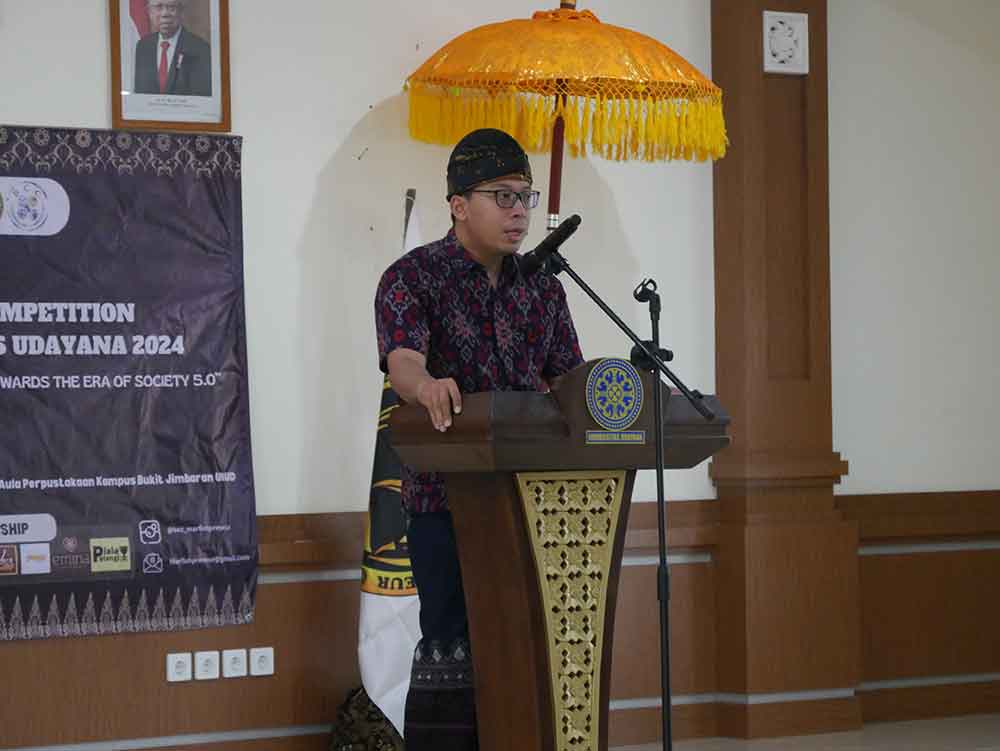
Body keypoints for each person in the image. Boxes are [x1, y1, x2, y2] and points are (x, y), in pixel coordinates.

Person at [374, 128, 584, 750]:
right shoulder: (413, 276)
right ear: (459, 205)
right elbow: (402, 361)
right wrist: (426, 385)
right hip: (447, 503)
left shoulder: (543, 287)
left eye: (525, 196)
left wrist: (620, 397)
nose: (519, 211)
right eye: (503, 195)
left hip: (533, 504)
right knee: (453, 650)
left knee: (527, 651)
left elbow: (569, 382)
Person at [134, 0, 212, 97]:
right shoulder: (142, 46)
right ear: (149, 12)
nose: (165, 14)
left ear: (181, 12)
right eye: (158, 7)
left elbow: (201, 97)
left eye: (171, 7)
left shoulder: (201, 49)